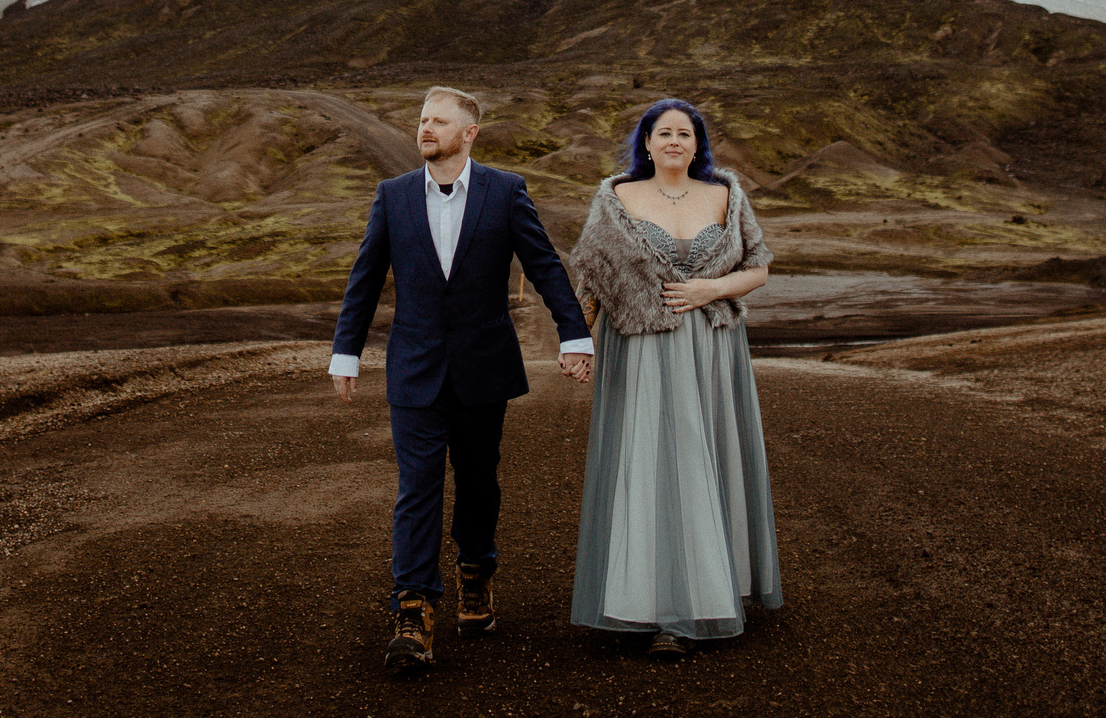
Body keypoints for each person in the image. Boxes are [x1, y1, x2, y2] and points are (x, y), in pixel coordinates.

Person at [329, 85, 595, 675]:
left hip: (483, 367)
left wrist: (574, 334)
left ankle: (476, 571)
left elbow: (544, 265)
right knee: (417, 487)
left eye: (439, 121)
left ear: (469, 133)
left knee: (478, 483)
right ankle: (414, 609)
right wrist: (346, 351)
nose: (425, 128)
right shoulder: (393, 195)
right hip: (414, 369)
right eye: (422, 119)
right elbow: (366, 274)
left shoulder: (505, 191)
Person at [566, 96, 782, 656]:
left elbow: (758, 267)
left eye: (684, 134)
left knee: (705, 456)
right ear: (646, 142)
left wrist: (711, 289)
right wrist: (577, 344)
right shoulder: (616, 197)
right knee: (650, 462)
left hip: (712, 349)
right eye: (663, 133)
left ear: (697, 144)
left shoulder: (726, 197)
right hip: (641, 351)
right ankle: (648, 601)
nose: (673, 143)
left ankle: (711, 591)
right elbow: (591, 276)